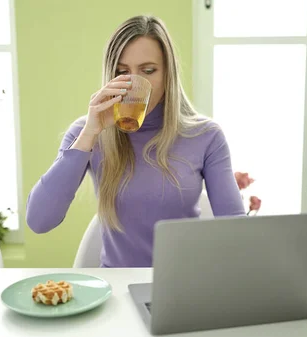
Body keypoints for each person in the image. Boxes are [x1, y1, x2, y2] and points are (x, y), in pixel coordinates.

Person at [26, 15, 245, 268]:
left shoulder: (206, 136)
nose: (133, 83)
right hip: (116, 291)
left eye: (148, 70)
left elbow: (236, 232)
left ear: (168, 74)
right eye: (122, 72)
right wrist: (89, 134)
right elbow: (39, 221)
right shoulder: (87, 132)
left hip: (182, 289)